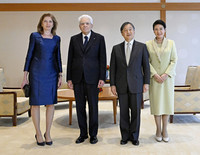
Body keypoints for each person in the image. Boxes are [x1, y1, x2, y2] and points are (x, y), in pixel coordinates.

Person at [21, 13, 62, 146]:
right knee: (36, 103)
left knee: (50, 104)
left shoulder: (57, 39)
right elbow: (29, 55)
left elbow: (58, 57)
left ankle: (48, 133)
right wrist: (25, 76)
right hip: (36, 73)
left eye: (50, 21)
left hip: (52, 73)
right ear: (41, 23)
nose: (48, 23)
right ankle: (38, 133)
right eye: (45, 21)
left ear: (53, 24)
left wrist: (60, 75)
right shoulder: (35, 36)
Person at [67, 14, 106, 144]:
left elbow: (102, 59)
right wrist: (69, 78)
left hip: (93, 79)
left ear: (91, 25)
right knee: (80, 107)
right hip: (77, 78)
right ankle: (82, 133)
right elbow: (70, 59)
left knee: (93, 107)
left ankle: (93, 134)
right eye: (82, 24)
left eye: (87, 23)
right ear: (79, 26)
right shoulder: (74, 39)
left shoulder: (99, 38)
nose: (85, 25)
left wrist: (102, 77)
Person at [110, 22, 150, 145]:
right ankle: (124, 136)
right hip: (121, 84)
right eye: (125, 30)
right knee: (123, 113)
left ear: (134, 31)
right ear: (122, 33)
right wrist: (112, 84)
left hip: (137, 84)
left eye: (130, 29)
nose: (128, 32)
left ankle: (134, 137)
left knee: (136, 112)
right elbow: (113, 68)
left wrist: (146, 83)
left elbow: (146, 67)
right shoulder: (116, 48)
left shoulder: (142, 47)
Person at [146, 19, 178, 142]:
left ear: (165, 30)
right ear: (153, 31)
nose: (158, 31)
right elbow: (146, 62)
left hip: (167, 80)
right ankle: (158, 130)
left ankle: (165, 129)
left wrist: (166, 74)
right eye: (156, 29)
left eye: (161, 29)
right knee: (157, 105)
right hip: (155, 79)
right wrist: (154, 74)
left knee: (167, 104)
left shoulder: (171, 43)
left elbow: (174, 60)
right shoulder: (148, 44)